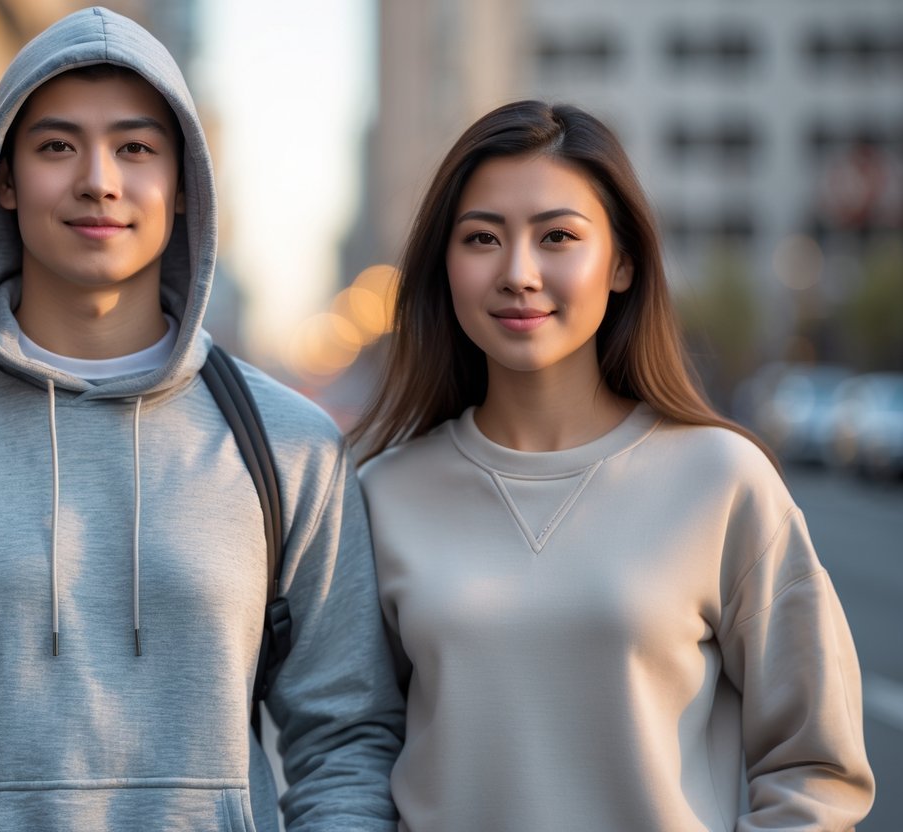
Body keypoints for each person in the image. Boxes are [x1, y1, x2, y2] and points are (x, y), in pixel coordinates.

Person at [0, 8, 403, 831]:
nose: (99, 180)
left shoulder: (289, 448)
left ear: (182, 182)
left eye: (135, 148)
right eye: (57, 146)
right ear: (5, 177)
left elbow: (346, 739)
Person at [351, 100, 874, 830]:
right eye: (480, 238)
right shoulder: (381, 495)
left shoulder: (722, 480)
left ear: (621, 261)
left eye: (558, 236)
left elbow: (815, 768)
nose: (518, 273)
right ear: (445, 265)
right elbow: (350, 754)